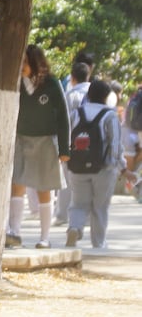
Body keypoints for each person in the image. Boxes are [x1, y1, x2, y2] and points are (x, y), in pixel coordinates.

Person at [7, 45, 71, 249]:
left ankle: (44, 238)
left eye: (24, 62)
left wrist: (64, 149)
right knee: (17, 185)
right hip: (21, 140)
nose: (21, 67)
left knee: (44, 189)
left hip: (45, 141)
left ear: (35, 63)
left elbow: (63, 116)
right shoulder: (15, 84)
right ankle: (14, 233)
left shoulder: (51, 84)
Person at [66, 79, 125, 248]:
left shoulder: (77, 113)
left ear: (89, 95)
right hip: (103, 169)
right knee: (100, 207)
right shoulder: (110, 115)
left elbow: (67, 136)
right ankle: (98, 243)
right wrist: (118, 166)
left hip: (77, 167)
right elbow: (115, 144)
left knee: (78, 204)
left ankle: (75, 228)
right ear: (107, 97)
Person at [55, 61, 92, 225]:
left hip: (72, 144)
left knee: (67, 181)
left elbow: (63, 121)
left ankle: (62, 215)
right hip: (93, 145)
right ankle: (89, 217)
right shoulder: (97, 92)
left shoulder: (69, 95)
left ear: (73, 77)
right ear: (88, 75)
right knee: (89, 181)